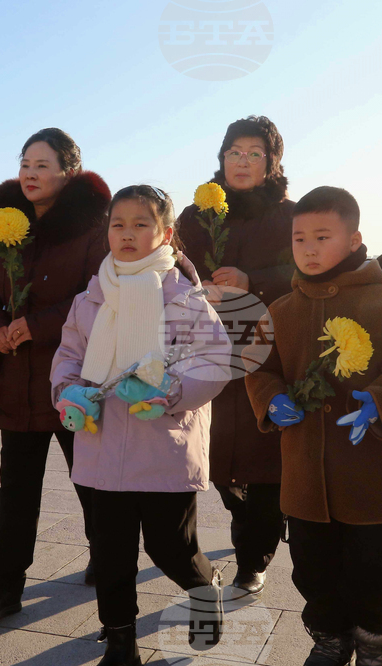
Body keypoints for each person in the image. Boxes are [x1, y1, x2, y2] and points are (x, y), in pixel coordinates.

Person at [245, 187, 382, 666]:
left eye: (322, 236)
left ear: (354, 239)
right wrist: (271, 401)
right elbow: (259, 365)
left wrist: (381, 402)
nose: (309, 248)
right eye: (299, 239)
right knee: (313, 567)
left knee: (378, 569)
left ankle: (376, 644)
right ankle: (330, 637)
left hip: (374, 471)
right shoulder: (281, 310)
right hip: (305, 476)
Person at [52, 185, 232, 664]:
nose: (127, 234)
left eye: (141, 224)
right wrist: (67, 391)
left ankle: (204, 587)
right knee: (110, 555)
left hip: (164, 446)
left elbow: (214, 360)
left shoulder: (185, 298)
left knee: (171, 548)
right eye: (118, 224)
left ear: (166, 233)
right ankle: (119, 639)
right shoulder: (90, 298)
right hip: (102, 445)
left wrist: (169, 392)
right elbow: (68, 356)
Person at [0, 128, 109, 624]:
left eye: (42, 164)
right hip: (16, 382)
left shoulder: (94, 229)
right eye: (25, 162)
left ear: (68, 172)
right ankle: (4, 588)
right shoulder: (6, 225)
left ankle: (106, 559)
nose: (29, 172)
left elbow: (99, 295)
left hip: (73, 381)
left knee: (90, 483)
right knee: (16, 492)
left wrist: (40, 324)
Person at [179, 115, 295, 596]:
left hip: (266, 348)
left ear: (271, 162)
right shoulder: (193, 216)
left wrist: (254, 282)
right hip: (206, 347)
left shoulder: (289, 215)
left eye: (253, 153)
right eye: (233, 152)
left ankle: (255, 554)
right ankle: (245, 514)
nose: (241, 161)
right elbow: (176, 267)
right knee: (217, 453)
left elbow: (306, 268)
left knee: (263, 455)